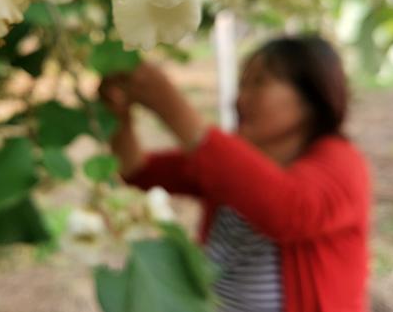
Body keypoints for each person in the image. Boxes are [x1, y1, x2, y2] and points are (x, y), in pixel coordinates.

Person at [99, 35, 371, 312]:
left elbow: (288, 210)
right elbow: (138, 172)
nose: (240, 99)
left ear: (310, 98)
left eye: (259, 83)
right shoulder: (239, 158)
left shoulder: (342, 163)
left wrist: (173, 108)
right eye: (242, 83)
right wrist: (119, 116)